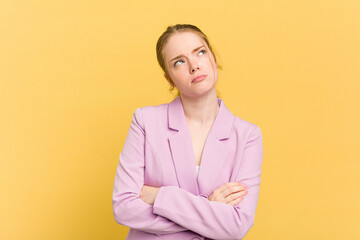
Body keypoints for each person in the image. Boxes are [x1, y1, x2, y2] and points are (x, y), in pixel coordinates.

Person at [112, 24, 264, 240]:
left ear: (214, 58)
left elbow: (236, 226)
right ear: (169, 78)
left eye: (200, 52)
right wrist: (209, 208)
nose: (194, 66)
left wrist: (161, 196)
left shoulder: (247, 136)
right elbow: (124, 207)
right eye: (179, 62)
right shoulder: (145, 121)